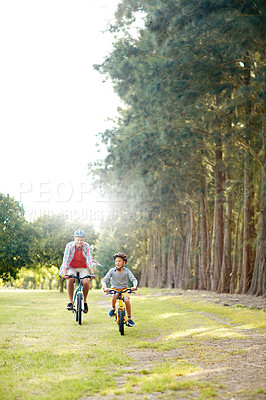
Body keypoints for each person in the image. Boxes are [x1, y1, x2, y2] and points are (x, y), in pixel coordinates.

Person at [59, 230, 96, 313]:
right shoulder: (69, 246)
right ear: (74, 239)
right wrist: (65, 273)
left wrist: (93, 273)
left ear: (84, 240)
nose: (79, 242)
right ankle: (70, 302)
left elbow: (90, 260)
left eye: (81, 240)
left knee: (86, 282)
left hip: (83, 268)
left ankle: (85, 302)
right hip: (71, 267)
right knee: (71, 279)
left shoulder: (87, 246)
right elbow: (65, 259)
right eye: (78, 240)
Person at [102, 252, 137, 327]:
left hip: (124, 289)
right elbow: (104, 280)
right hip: (114, 289)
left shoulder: (126, 271)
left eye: (119, 261)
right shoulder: (112, 271)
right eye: (116, 261)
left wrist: (134, 286)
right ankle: (113, 309)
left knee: (127, 300)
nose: (117, 263)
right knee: (114, 296)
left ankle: (129, 318)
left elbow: (134, 279)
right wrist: (105, 287)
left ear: (124, 262)